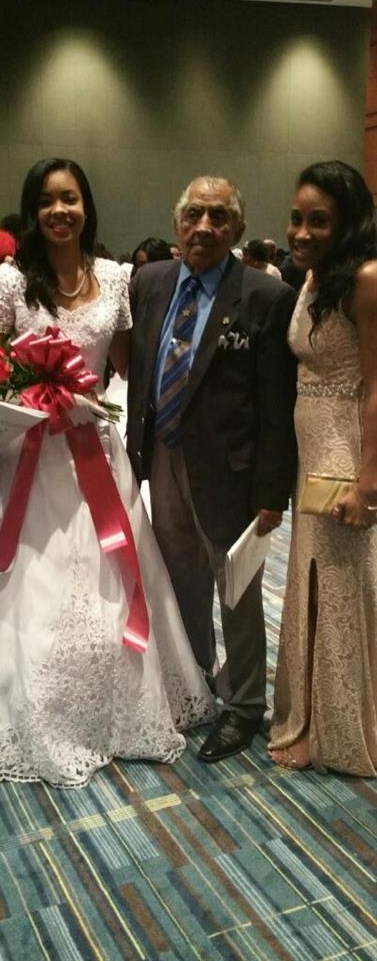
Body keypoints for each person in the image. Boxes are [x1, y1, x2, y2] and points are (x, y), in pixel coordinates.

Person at [0, 157, 215, 787]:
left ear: (86, 206)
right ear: (32, 211)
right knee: (32, 582)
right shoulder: (12, 280)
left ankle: (119, 708)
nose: (58, 211)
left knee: (110, 576)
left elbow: (126, 363)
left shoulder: (116, 278)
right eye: (46, 200)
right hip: (30, 454)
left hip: (95, 448)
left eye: (69, 198)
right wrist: (23, 396)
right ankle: (36, 712)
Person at [127, 175, 297, 763]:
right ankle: (196, 678)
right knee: (181, 579)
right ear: (177, 224)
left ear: (238, 229)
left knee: (238, 590)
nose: (204, 226)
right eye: (194, 214)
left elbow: (277, 406)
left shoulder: (265, 296)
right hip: (163, 457)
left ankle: (245, 705)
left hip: (232, 473)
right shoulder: (149, 282)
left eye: (219, 216)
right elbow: (141, 370)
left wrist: (272, 492)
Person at [269, 161, 377, 776]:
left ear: (348, 223)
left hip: (345, 449)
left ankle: (340, 731)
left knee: (338, 590)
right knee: (310, 583)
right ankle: (310, 715)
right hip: (310, 447)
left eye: (319, 221)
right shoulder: (314, 278)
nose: (302, 232)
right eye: (296, 218)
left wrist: (369, 484)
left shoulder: (365, 278)